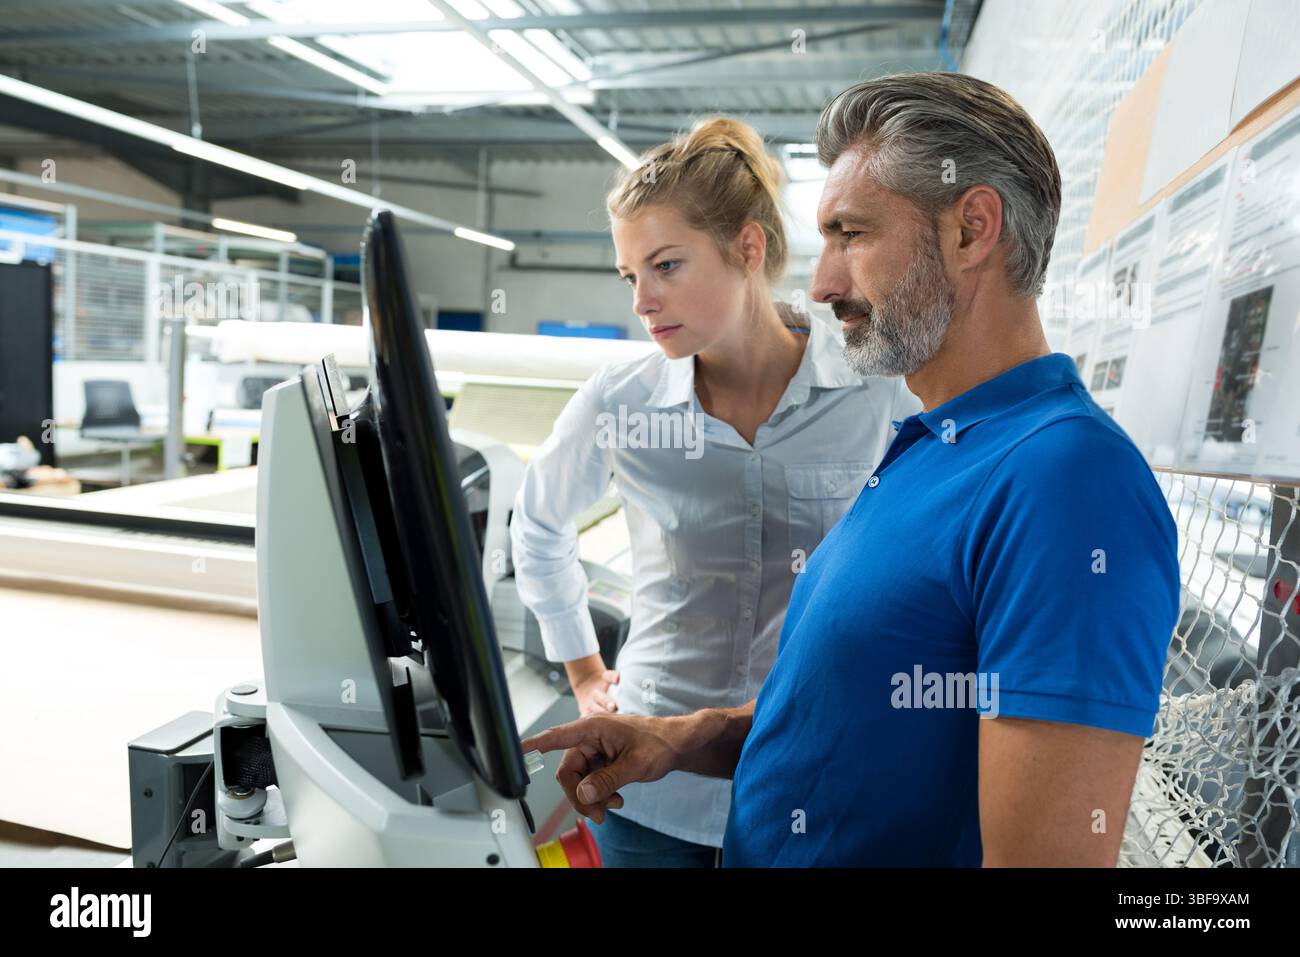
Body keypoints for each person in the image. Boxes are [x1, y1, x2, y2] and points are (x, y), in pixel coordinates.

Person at [521, 72, 1180, 867]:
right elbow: (855, 704)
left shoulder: (1070, 484)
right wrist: (682, 737)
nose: (824, 283)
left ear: (972, 230)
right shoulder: (930, 447)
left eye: (852, 235)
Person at [509, 116, 917, 867]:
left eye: (665, 265)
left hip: (807, 775)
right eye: (631, 276)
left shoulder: (874, 387)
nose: (643, 300)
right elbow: (536, 527)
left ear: (748, 247)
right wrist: (584, 672)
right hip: (647, 787)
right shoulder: (621, 401)